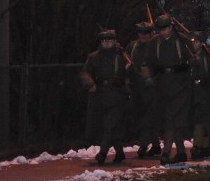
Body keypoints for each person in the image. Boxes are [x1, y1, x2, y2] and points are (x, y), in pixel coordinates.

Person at [142, 14, 194, 165]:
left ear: (171, 27)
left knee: (171, 118)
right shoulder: (153, 43)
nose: (163, 32)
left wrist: (190, 62)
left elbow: (193, 57)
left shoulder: (182, 40)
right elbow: (146, 63)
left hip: (180, 85)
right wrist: (148, 78)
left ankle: (166, 152)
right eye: (160, 29)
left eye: (165, 28)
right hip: (162, 85)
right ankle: (181, 152)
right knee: (172, 118)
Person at [80, 29, 130, 165]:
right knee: (111, 126)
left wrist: (128, 77)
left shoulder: (121, 57)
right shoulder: (94, 57)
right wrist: (90, 83)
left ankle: (103, 152)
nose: (107, 43)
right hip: (100, 96)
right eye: (104, 41)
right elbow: (85, 72)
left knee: (110, 124)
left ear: (115, 41)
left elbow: (130, 76)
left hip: (117, 95)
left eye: (110, 40)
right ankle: (119, 152)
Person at [188, 31, 210, 159]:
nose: (194, 44)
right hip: (195, 93)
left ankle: (200, 146)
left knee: (203, 120)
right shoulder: (193, 57)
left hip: (206, 94)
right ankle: (202, 146)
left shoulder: (207, 58)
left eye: (196, 42)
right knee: (199, 120)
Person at [126, 21, 159, 158]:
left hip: (153, 86)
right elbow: (126, 62)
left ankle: (143, 145)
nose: (144, 35)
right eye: (141, 32)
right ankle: (156, 145)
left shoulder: (157, 46)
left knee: (149, 117)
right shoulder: (132, 46)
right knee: (142, 117)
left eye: (147, 32)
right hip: (137, 87)